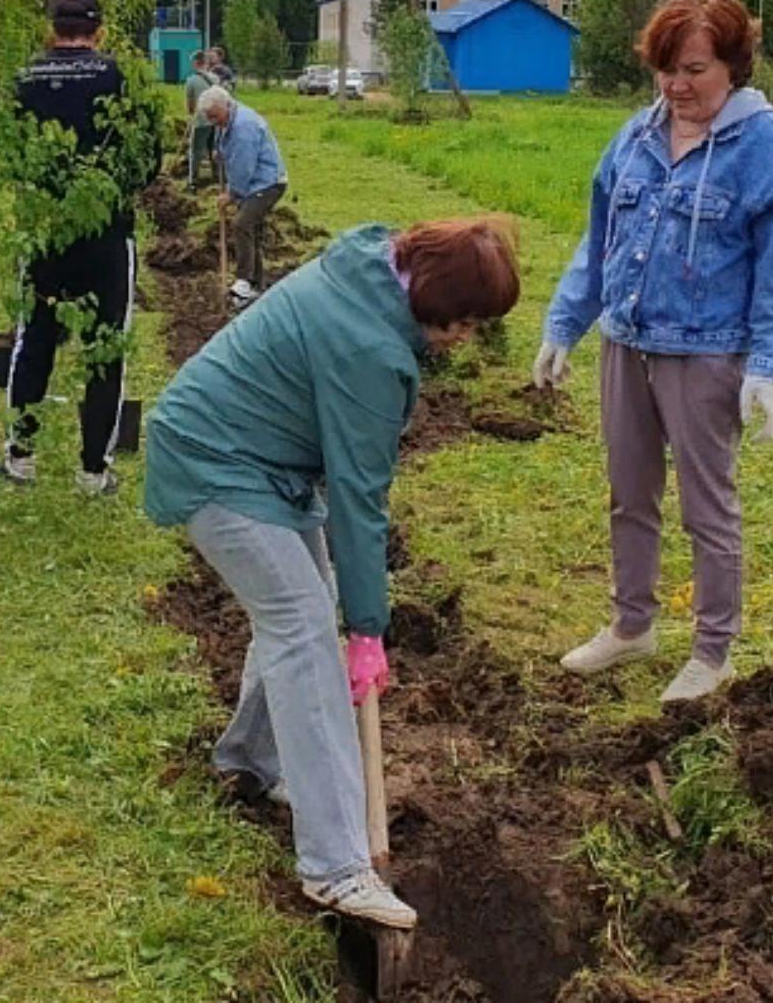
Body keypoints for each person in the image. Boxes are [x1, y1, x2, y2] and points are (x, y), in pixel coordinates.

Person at [145, 216, 521, 928]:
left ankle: (250, 760)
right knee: (303, 628)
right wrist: (368, 629)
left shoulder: (369, 267)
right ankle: (337, 867)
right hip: (216, 462)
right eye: (465, 321)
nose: (464, 338)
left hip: (258, 460)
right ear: (434, 293)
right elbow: (357, 497)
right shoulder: (370, 350)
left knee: (303, 608)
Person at [534, 0, 773, 703]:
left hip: (706, 353)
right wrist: (565, 323)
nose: (676, 86)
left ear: (733, 66)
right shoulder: (635, 138)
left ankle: (714, 650)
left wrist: (768, 368)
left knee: (707, 507)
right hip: (626, 343)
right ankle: (633, 625)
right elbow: (599, 243)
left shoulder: (768, 151)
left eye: (693, 69)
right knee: (630, 494)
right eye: (665, 69)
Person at [0, 0, 160, 495]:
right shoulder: (122, 77)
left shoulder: (24, 77)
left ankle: (20, 458)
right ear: (100, 30)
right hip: (107, 233)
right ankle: (93, 472)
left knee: (35, 341)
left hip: (45, 230)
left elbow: (11, 155)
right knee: (106, 348)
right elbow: (147, 160)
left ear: (52, 27)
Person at [197, 85, 285, 310]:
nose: (213, 122)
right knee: (250, 230)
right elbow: (226, 146)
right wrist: (220, 152)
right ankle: (256, 284)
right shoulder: (228, 118)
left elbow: (243, 167)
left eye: (214, 117)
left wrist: (232, 194)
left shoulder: (244, 127)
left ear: (225, 106)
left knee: (242, 224)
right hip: (255, 183)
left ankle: (244, 282)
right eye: (209, 118)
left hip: (268, 182)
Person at [183, 50, 216, 189]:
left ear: (196, 63)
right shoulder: (215, 79)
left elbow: (190, 105)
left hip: (201, 120)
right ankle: (218, 177)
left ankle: (192, 181)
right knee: (214, 149)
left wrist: (191, 114)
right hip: (216, 120)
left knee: (195, 150)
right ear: (206, 62)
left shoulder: (191, 81)